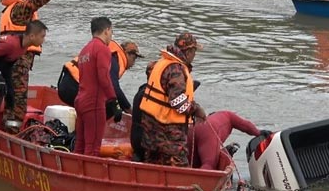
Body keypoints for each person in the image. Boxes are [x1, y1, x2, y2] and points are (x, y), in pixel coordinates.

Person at [0, 0, 76, 128]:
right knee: (18, 101)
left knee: (12, 98)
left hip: (11, 61)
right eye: (35, 0)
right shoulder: (21, 9)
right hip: (17, 63)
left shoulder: (14, 12)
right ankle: (12, 133)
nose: (37, 6)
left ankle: (8, 127)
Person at [138, 33, 207, 167]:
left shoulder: (163, 62)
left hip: (150, 127)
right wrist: (196, 109)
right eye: (194, 52)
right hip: (168, 130)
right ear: (189, 51)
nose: (195, 56)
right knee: (179, 166)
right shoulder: (176, 69)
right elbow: (176, 101)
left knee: (153, 164)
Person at [73, 17, 118, 156]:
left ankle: (75, 173)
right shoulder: (102, 49)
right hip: (94, 103)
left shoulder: (84, 50)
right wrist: (113, 99)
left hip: (80, 101)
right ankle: (85, 176)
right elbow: (104, 77)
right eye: (111, 32)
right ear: (106, 30)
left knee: (80, 144)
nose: (111, 35)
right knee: (92, 147)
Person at [56, 40, 143, 109]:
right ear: (127, 53)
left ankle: (80, 128)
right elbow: (114, 88)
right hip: (74, 87)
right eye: (134, 58)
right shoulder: (114, 59)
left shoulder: (106, 52)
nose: (133, 63)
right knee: (110, 107)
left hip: (64, 83)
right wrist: (127, 108)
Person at [187, 111, 270, 170]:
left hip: (191, 129)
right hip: (209, 132)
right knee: (209, 164)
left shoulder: (209, 118)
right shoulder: (228, 115)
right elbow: (245, 125)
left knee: (189, 162)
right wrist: (258, 132)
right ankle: (200, 188)